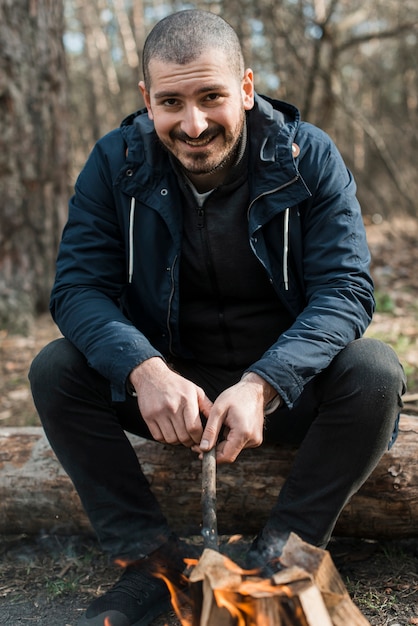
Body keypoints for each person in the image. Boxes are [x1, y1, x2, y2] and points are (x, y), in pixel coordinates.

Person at [29, 8, 406, 626]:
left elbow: (346, 289)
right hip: (174, 396)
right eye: (172, 102)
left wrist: (265, 383)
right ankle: (151, 563)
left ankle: (284, 553)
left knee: (374, 372)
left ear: (247, 89)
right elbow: (77, 289)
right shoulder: (114, 162)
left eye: (212, 97)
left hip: (285, 391)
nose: (194, 123)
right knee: (56, 369)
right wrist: (143, 370)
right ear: (148, 101)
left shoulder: (306, 156)